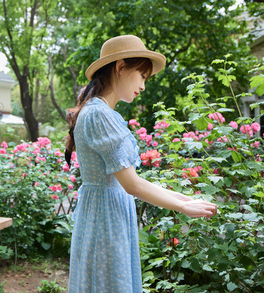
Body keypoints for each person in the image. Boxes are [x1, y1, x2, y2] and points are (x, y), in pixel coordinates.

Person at [64, 35, 217, 292]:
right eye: (142, 76)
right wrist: (183, 207)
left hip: (104, 214)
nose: (143, 86)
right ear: (121, 67)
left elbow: (129, 180)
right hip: (106, 220)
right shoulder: (99, 114)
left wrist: (182, 197)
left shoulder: (97, 111)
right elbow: (132, 184)